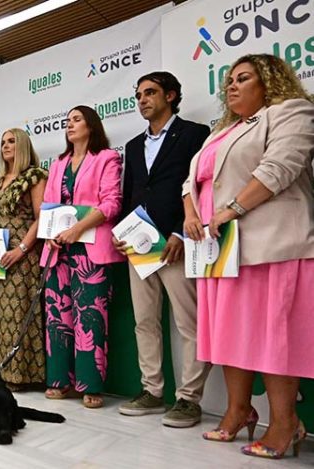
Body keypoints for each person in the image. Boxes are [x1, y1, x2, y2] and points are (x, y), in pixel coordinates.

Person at [182, 54, 313, 459]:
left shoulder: (291, 111)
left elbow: (279, 168)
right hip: (221, 251)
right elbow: (192, 180)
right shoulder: (221, 131)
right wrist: (191, 212)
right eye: (229, 81)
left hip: (272, 244)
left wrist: (230, 209)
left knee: (275, 339)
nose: (232, 87)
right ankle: (239, 411)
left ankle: (285, 423)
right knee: (230, 337)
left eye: (243, 79)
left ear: (268, 81)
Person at [115, 71, 212, 427]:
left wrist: (180, 233)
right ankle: (152, 391)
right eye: (138, 94)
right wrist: (120, 232)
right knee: (145, 321)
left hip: (178, 242)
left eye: (150, 92)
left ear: (171, 96)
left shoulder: (195, 134)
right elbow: (130, 197)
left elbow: (200, 187)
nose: (142, 99)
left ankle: (189, 399)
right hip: (139, 247)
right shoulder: (131, 146)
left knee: (189, 322)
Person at [40, 106, 123, 408]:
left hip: (90, 248)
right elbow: (48, 205)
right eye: (67, 121)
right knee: (56, 317)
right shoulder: (58, 163)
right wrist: (49, 233)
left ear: (92, 125)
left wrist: (77, 229)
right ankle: (59, 381)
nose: (70, 125)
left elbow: (111, 203)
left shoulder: (107, 158)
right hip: (57, 250)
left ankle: (91, 384)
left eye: (77, 119)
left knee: (90, 318)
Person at [0, 128, 47, 389]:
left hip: (21, 254)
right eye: (3, 141)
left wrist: (22, 249)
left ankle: (18, 375)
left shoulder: (35, 177)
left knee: (17, 311)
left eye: (12, 141)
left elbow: (41, 217)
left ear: (23, 145)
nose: (5, 146)